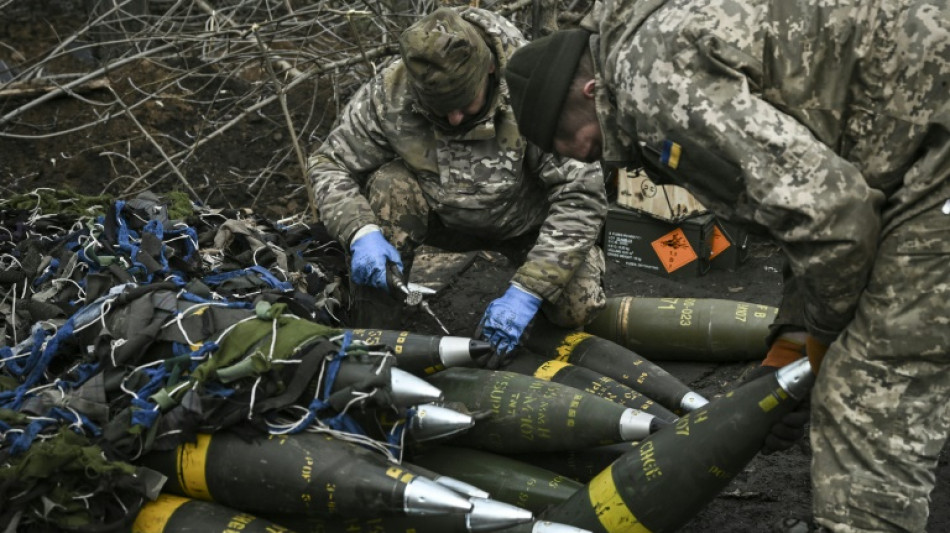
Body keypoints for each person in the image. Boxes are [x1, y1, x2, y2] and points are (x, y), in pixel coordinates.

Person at [503, 1, 950, 532]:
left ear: (587, 93)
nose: (577, 157)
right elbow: (798, 212)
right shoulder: (650, 49)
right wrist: (793, 337)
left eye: (562, 139)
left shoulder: (651, 82)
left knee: (865, 400)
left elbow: (833, 218)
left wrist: (827, 342)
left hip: (932, 157)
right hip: (918, 134)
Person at [307, 7, 608, 361]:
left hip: (528, 224)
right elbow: (328, 163)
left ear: (490, 70)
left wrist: (529, 290)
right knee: (391, 185)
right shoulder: (391, 93)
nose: (454, 118)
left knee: (577, 306)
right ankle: (374, 341)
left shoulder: (532, 87)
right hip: (441, 217)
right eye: (439, 107)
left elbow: (582, 195)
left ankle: (530, 337)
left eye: (464, 103)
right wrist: (360, 232)